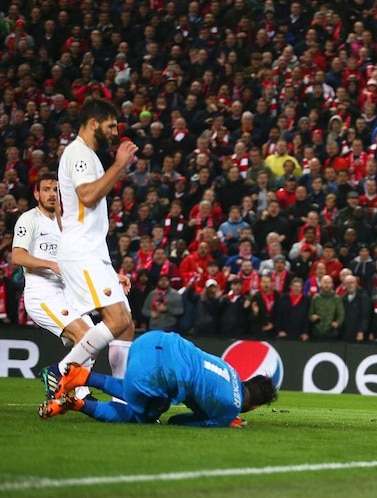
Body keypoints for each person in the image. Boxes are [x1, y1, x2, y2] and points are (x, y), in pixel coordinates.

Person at [47, 99, 138, 393]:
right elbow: (87, 196)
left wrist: (109, 268)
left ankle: (124, 401)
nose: (115, 132)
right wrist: (120, 166)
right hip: (82, 251)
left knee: (126, 326)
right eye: (111, 125)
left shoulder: (89, 156)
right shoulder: (79, 154)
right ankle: (59, 372)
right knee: (117, 319)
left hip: (94, 252)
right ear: (94, 123)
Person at [39, 330, 277, 427]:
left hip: (151, 340)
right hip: (160, 372)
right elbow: (177, 421)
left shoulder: (230, 370)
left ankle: (80, 375)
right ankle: (76, 403)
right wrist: (221, 420)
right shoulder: (228, 410)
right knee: (144, 414)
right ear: (254, 406)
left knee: (144, 392)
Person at [11, 173, 95, 396]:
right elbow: (17, 256)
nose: (52, 194)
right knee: (86, 336)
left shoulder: (65, 224)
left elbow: (82, 258)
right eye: (47, 189)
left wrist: (114, 276)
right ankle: (71, 385)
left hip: (67, 293)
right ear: (37, 194)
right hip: (42, 293)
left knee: (95, 339)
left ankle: (73, 392)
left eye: (56, 190)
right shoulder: (29, 219)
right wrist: (50, 264)